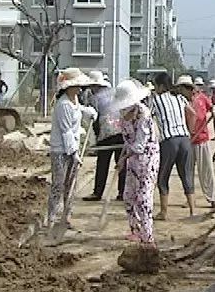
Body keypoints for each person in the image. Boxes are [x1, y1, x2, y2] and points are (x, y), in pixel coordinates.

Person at [111, 79, 159, 246]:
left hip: (148, 159)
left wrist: (123, 158)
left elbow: (139, 145)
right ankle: (135, 229)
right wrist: (124, 157)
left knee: (143, 198)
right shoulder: (124, 118)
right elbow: (127, 141)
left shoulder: (143, 116)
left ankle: (148, 237)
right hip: (133, 159)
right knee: (128, 196)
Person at [48, 68, 97, 229]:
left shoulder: (74, 101)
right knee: (59, 184)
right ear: (68, 87)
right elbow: (66, 131)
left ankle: (67, 217)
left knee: (71, 184)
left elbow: (79, 109)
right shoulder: (63, 105)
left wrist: (89, 112)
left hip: (72, 147)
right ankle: (52, 218)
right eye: (76, 86)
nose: (79, 89)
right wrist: (74, 153)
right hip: (61, 150)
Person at [152, 72, 195, 219]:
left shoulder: (156, 100)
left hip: (169, 141)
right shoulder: (180, 98)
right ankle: (192, 211)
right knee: (187, 175)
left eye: (156, 85)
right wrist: (191, 131)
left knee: (163, 177)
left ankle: (164, 212)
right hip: (184, 139)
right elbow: (193, 113)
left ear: (161, 86)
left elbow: (149, 118)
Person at [83, 71, 127, 202]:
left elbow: (94, 119)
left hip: (107, 133)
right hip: (121, 131)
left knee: (102, 163)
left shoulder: (94, 98)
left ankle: (98, 192)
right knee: (121, 162)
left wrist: (96, 138)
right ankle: (122, 192)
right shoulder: (114, 92)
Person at [180, 76, 215, 208]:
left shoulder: (201, 98)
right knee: (188, 171)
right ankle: (190, 198)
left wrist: (214, 110)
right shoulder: (181, 101)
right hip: (187, 140)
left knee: (206, 170)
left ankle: (212, 198)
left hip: (201, 139)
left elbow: (213, 108)